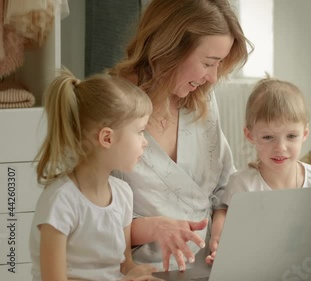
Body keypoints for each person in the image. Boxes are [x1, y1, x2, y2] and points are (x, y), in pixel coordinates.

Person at [108, 0, 252, 272]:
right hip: (142, 269)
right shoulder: (109, 106)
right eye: (209, 63)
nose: (212, 77)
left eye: (219, 64)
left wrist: (221, 221)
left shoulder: (202, 99)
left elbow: (225, 186)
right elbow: (89, 215)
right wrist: (151, 228)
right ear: (170, 48)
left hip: (214, 262)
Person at [206, 76, 311, 281]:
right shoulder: (242, 182)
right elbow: (225, 220)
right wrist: (219, 242)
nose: (280, 147)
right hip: (263, 270)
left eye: (291, 136)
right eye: (268, 137)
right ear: (250, 136)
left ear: (305, 133)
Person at [29, 68, 162, 281]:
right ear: (107, 138)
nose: (145, 141)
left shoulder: (123, 194)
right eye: (139, 131)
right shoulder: (61, 201)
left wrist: (135, 272)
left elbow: (124, 265)